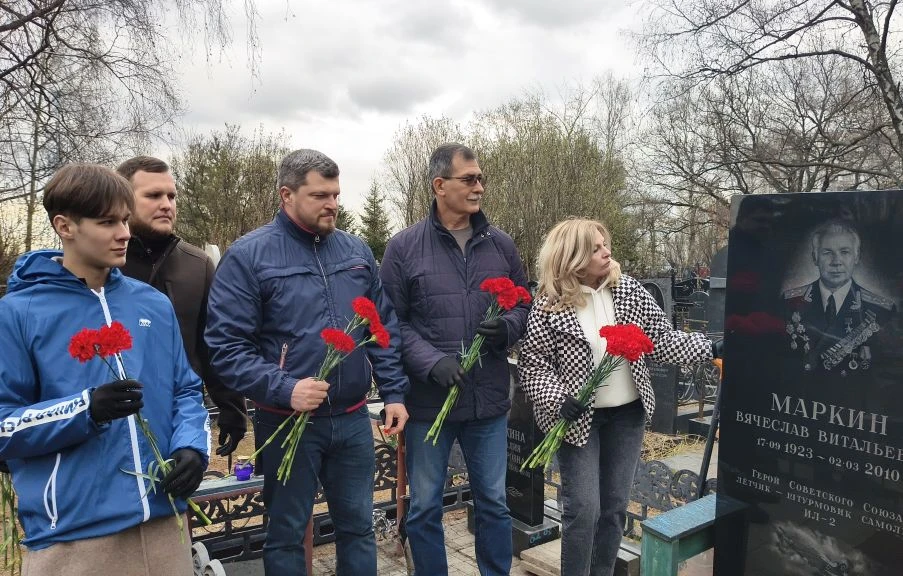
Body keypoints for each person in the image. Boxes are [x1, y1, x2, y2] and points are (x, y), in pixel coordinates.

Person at [205, 149, 409, 575]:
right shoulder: (249, 256)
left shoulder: (355, 251)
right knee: (286, 535)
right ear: (287, 195)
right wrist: (285, 388)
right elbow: (226, 347)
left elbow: (381, 327)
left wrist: (393, 392)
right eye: (320, 195)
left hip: (353, 419)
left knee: (359, 528)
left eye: (335, 194)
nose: (332, 204)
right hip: (286, 422)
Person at [0, 164, 210, 576]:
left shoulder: (153, 304)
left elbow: (186, 390)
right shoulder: (18, 313)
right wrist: (84, 410)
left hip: (164, 523)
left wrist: (192, 448)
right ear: (65, 226)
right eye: (107, 222)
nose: (124, 233)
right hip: (75, 539)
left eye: (125, 220)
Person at [517, 218, 716, 576]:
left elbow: (661, 340)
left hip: (626, 417)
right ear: (573, 256)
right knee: (583, 509)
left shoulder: (629, 291)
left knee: (614, 508)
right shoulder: (550, 304)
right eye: (595, 248)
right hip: (577, 420)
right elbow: (534, 364)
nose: (606, 252)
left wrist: (710, 347)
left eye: (605, 244)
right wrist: (558, 397)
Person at [380, 143, 529, 576]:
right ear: (440, 185)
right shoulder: (404, 247)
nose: (479, 187)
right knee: (425, 506)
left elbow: (524, 303)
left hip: (487, 402)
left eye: (481, 178)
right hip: (430, 404)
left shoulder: (500, 244)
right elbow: (390, 322)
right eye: (469, 179)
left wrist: (507, 327)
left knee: (494, 503)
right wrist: (431, 362)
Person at [116, 156, 248, 456]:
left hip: (181, 421)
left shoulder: (196, 265)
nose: (166, 205)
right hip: (113, 420)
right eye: (153, 195)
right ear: (122, 200)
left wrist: (232, 407)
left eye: (171, 196)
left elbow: (212, 343)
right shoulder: (104, 265)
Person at [781, 219, 896, 376]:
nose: (836, 262)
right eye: (827, 253)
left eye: (844, 252)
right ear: (815, 257)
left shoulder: (880, 309)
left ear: (856, 257)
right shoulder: (790, 302)